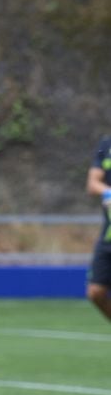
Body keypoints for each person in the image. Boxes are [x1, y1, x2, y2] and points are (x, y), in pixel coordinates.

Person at [84, 134, 111, 322]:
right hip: (108, 235)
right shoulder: (106, 144)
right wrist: (108, 192)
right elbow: (92, 184)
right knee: (96, 291)